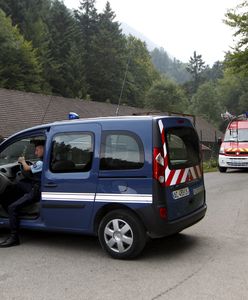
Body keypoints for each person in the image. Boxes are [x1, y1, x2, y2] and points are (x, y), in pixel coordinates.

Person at [0, 141, 44, 247]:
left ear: (44, 149)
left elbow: (26, 168)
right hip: (35, 188)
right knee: (18, 184)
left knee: (12, 208)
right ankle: (13, 212)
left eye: (37, 149)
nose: (35, 152)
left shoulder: (41, 163)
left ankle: (14, 238)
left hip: (35, 191)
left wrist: (23, 161)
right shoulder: (42, 162)